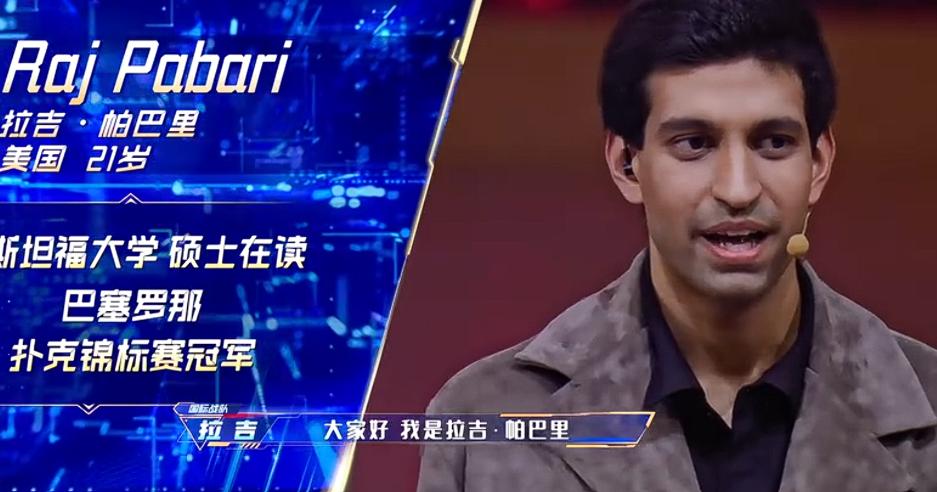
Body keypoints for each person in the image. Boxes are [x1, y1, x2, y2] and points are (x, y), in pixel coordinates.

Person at [416, 0, 937, 491]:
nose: (738, 189)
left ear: (818, 164)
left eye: (774, 143)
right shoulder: (487, 419)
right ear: (627, 165)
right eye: (695, 144)